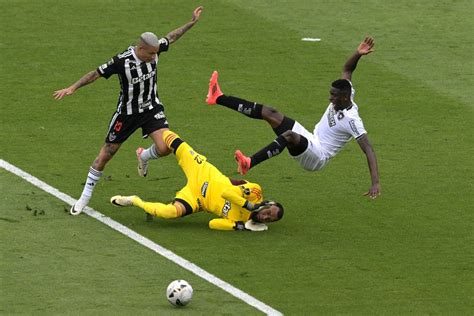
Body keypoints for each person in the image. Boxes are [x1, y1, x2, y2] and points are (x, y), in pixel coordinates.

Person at [53, 7, 203, 215]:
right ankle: (85, 197)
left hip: (151, 109)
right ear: (140, 48)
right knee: (106, 154)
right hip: (127, 114)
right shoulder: (122, 61)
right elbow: (95, 73)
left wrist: (191, 22)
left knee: (165, 147)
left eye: (155, 53)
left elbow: (172, 36)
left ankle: (144, 156)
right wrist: (72, 87)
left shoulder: (155, 50)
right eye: (150, 53)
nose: (154, 56)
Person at [205, 37, 380, 199]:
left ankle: (249, 162)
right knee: (270, 113)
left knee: (289, 135)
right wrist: (358, 54)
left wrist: (375, 183)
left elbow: (369, 150)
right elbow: (347, 69)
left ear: (344, 97)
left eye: (334, 96)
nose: (330, 98)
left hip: (318, 157)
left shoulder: (352, 120)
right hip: (312, 138)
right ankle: (218, 97)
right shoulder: (346, 89)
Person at [110, 130, 284, 231]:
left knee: (169, 213)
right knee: (175, 142)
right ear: (268, 203)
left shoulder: (242, 221)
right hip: (203, 173)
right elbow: (226, 192)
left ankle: (134, 200)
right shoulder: (255, 193)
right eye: (269, 212)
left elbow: (213, 223)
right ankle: (147, 142)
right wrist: (249, 205)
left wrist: (239, 226)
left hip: (198, 199)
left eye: (269, 219)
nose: (265, 216)